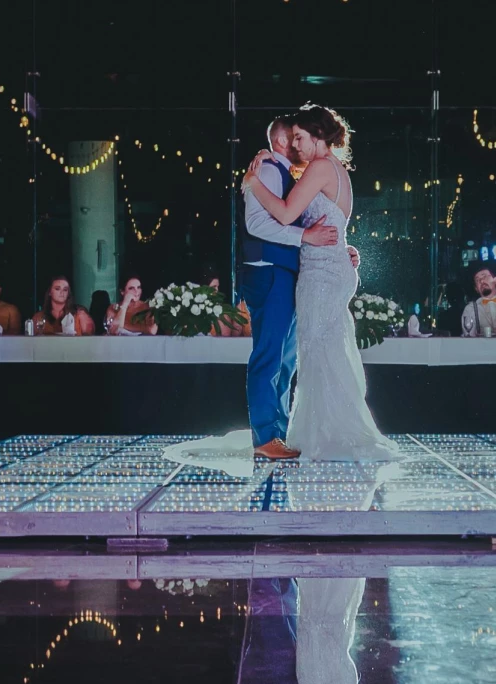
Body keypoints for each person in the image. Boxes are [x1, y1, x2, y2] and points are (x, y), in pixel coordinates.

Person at [163, 104, 398, 465]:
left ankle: (295, 432)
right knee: (286, 356)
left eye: (301, 137)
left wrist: (330, 245)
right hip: (278, 272)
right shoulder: (275, 170)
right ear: (280, 140)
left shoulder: (309, 170)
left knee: (303, 356)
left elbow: (293, 214)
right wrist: (261, 187)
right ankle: (272, 435)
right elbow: (262, 224)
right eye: (293, 139)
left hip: (314, 274)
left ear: (316, 136)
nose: (298, 145)